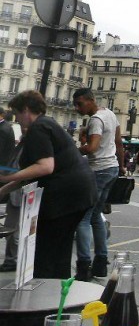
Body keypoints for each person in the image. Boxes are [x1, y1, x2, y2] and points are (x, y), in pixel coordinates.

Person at [0, 91, 96, 279]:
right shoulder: (48, 123)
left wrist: (6, 179)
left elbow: (44, 167)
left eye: (17, 114)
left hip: (64, 198)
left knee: (46, 253)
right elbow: (31, 171)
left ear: (26, 110)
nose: (17, 120)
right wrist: (4, 190)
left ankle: (44, 296)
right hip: (79, 194)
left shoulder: (39, 128)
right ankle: (57, 296)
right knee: (59, 251)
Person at [72, 87, 125, 280]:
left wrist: (74, 150)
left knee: (83, 218)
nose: (78, 108)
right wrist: (121, 166)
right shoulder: (110, 114)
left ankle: (84, 265)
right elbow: (119, 143)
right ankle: (101, 263)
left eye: (80, 103)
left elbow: (93, 148)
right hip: (111, 168)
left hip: (98, 170)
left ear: (90, 100)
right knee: (96, 216)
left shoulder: (95, 119)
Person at [0, 113, 20, 273]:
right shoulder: (9, 129)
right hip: (12, 183)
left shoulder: (4, 129)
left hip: (16, 188)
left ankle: (11, 260)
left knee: (12, 226)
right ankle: (11, 260)